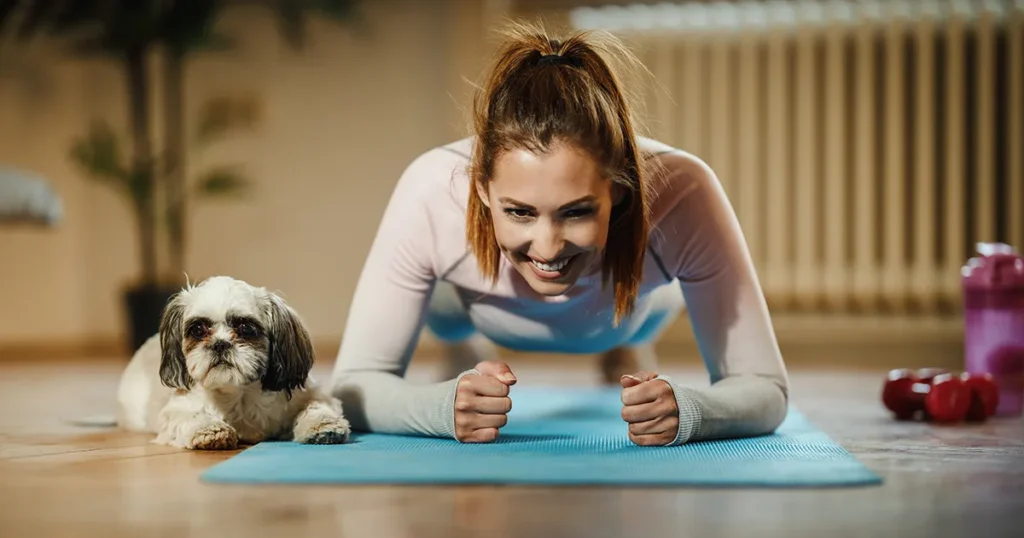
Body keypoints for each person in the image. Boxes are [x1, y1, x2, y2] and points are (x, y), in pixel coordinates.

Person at [330, 21, 789, 446]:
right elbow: (354, 384)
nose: (548, 247)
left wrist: (692, 411)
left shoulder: (682, 189)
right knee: (440, 303)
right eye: (520, 212)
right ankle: (461, 346)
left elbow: (764, 388)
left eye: (576, 212)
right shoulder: (431, 189)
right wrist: (439, 406)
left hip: (627, 313)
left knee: (643, 307)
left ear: (619, 190)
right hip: (474, 310)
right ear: (482, 190)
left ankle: (627, 344)